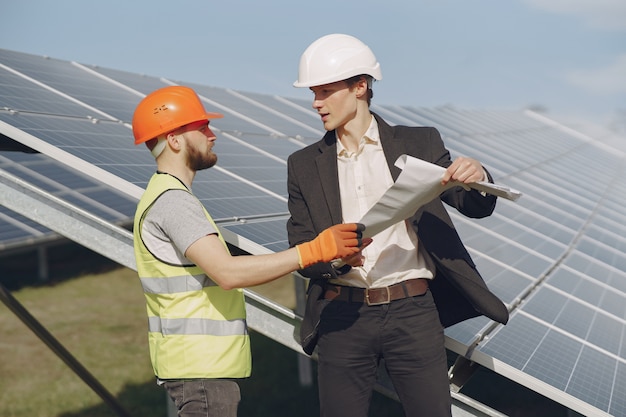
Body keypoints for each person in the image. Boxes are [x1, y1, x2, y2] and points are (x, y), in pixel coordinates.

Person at [287, 34, 509, 417]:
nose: (315, 103)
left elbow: (472, 204)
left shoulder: (419, 141)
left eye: (325, 91)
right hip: (343, 317)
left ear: (360, 86)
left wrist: (478, 174)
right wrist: (337, 259)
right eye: (313, 93)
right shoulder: (304, 165)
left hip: (413, 312)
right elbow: (302, 250)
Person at [131, 85, 367, 417]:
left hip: (198, 368)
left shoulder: (166, 196)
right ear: (174, 139)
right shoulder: (173, 202)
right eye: (202, 127)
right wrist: (313, 250)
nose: (212, 135)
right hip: (200, 371)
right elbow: (227, 273)